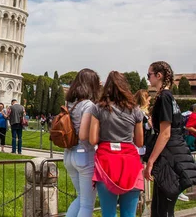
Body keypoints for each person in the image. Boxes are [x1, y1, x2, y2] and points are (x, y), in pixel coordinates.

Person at [145, 61, 196, 216]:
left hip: (169, 156)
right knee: (163, 208)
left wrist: (151, 161)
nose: (148, 79)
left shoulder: (164, 98)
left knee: (162, 210)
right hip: (175, 153)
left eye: (149, 75)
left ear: (158, 75)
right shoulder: (170, 98)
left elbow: (165, 133)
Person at [90, 71, 144, 217]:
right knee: (129, 214)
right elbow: (139, 142)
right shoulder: (135, 110)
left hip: (106, 161)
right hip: (130, 161)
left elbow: (93, 139)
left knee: (108, 213)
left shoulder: (98, 108)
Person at [63, 68, 101, 217]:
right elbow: (84, 135)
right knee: (87, 205)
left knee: (81, 199)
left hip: (69, 153)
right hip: (84, 154)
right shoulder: (89, 105)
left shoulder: (71, 103)